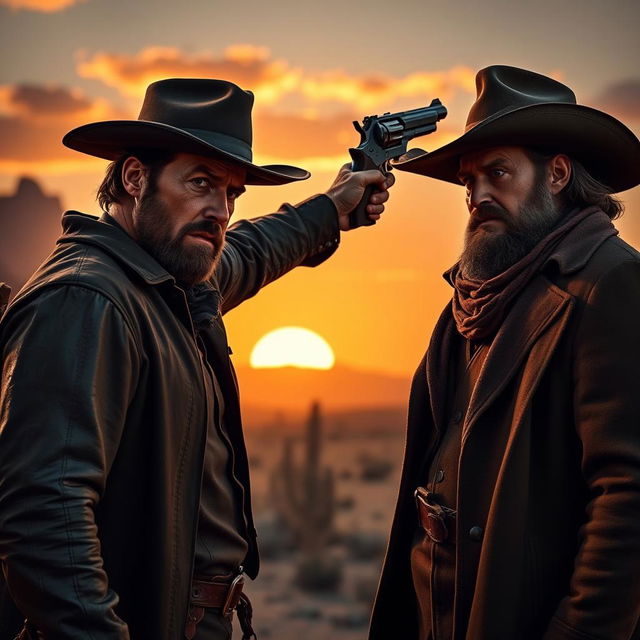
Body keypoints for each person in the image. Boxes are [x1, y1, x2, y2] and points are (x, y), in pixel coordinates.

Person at [0, 78, 393, 640]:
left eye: (233, 193)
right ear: (135, 178)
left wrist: (332, 211)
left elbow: (250, 252)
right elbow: (43, 514)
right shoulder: (88, 299)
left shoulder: (169, 286)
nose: (221, 211)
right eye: (202, 183)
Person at [368, 65, 640, 640]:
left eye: (498, 173)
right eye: (469, 182)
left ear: (558, 174)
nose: (477, 196)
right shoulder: (473, 299)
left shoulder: (611, 284)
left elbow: (628, 495)